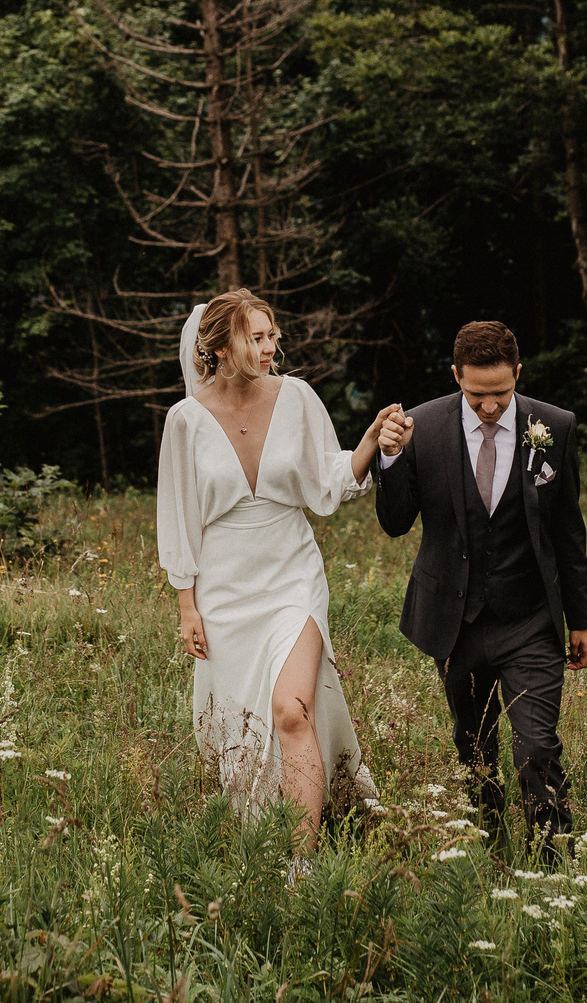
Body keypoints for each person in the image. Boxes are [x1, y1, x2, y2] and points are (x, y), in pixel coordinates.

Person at [154, 288, 401, 844]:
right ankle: (267, 825)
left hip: (293, 574)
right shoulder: (185, 421)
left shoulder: (298, 398)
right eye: (256, 338)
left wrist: (366, 444)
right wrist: (186, 603)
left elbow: (326, 481)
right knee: (243, 722)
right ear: (217, 346)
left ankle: (301, 863)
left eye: (273, 337)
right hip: (224, 589)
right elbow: (178, 513)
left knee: (292, 711)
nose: (270, 349)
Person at [372, 319, 587, 859]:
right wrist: (391, 458)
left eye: (501, 393)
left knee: (537, 748)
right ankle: (490, 849)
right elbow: (395, 522)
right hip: (456, 624)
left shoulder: (555, 426)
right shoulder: (420, 426)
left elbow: (568, 529)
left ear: (518, 374)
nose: (490, 406)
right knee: (474, 750)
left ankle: (554, 865)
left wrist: (581, 618)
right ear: (456, 377)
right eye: (476, 395)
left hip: (532, 621)